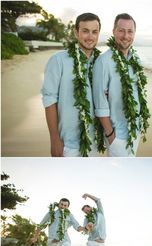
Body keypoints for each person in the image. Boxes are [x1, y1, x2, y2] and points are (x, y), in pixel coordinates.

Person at [41, 13, 105, 157]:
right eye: (85, 31)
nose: (90, 36)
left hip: (93, 143)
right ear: (76, 32)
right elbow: (49, 100)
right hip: (67, 144)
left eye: (94, 32)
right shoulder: (58, 60)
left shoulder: (101, 63)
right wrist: (54, 139)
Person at [93, 13, 151, 157]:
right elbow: (100, 103)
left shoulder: (135, 59)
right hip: (117, 135)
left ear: (134, 34)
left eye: (130, 31)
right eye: (121, 30)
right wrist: (111, 136)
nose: (126, 36)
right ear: (113, 31)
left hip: (134, 132)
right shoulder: (103, 62)